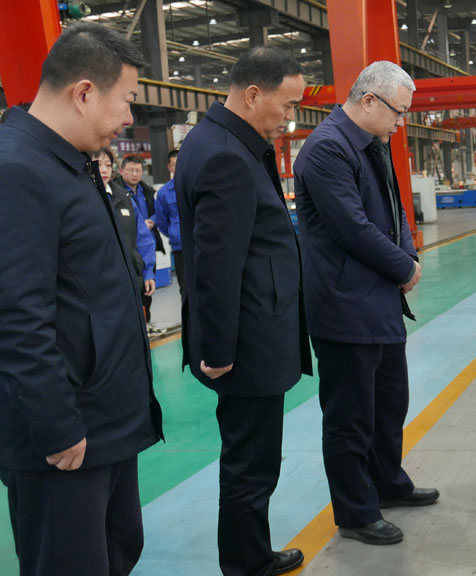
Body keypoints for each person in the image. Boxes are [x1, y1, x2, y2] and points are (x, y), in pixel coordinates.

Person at [0, 22, 163, 575]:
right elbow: (16, 318)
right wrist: (57, 425)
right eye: (127, 100)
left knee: (115, 554)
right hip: (65, 439)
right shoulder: (18, 170)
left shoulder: (69, 162)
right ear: (85, 92)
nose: (129, 117)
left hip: (104, 423)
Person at [175, 46, 311, 576]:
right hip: (248, 345)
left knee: (250, 458)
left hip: (250, 332)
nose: (290, 117)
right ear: (253, 94)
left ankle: (250, 553)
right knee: (251, 463)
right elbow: (217, 265)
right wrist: (219, 351)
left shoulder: (220, 141)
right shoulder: (227, 156)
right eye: (287, 104)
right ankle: (246, 562)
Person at [293, 60, 438, 546]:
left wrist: (408, 255)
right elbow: (351, 227)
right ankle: (356, 512)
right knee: (350, 416)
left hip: (378, 301)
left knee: (389, 403)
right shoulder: (326, 149)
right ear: (369, 100)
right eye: (398, 112)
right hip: (344, 305)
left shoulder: (372, 142)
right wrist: (403, 268)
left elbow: (394, 210)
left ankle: (388, 483)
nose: (401, 122)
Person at [94, 146, 157, 304]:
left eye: (108, 165)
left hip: (131, 279)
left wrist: (148, 272)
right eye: (98, 164)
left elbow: (143, 238)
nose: (104, 170)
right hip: (99, 285)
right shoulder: (80, 200)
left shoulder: (124, 198)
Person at [116, 155, 163, 321]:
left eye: (138, 170)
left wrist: (152, 221)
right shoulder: (117, 195)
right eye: (130, 170)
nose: (134, 174)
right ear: (121, 171)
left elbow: (159, 212)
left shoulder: (148, 192)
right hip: (127, 251)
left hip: (147, 247)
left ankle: (146, 322)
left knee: (147, 290)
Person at [153, 149, 184, 296]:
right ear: (169, 167)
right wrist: (174, 232)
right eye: (175, 164)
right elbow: (161, 221)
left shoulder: (197, 186)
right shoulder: (164, 193)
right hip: (180, 247)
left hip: (201, 245)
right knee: (185, 288)